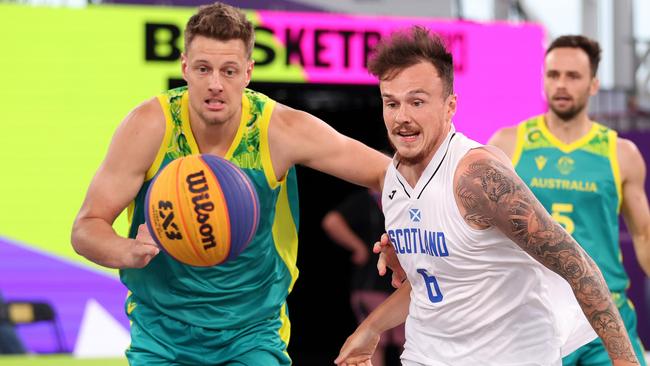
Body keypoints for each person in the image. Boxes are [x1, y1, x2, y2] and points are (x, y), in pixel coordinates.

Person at [70, 2, 389, 365]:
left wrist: (415, 229)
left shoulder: (278, 130)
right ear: (185, 67)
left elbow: (385, 173)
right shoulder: (148, 127)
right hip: (162, 331)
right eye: (203, 69)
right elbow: (86, 227)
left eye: (229, 70)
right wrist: (127, 251)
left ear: (248, 72)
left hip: (251, 332)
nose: (216, 84)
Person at [334, 26, 641, 366]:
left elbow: (578, 266)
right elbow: (433, 283)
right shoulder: (393, 182)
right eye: (391, 103)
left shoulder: (477, 176)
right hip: (427, 355)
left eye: (417, 101)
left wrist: (626, 361)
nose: (402, 117)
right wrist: (370, 327)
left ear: (450, 106)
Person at [488, 35, 650, 365]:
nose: (561, 84)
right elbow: (476, 225)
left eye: (573, 76)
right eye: (553, 74)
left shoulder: (621, 153)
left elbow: (644, 236)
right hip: (532, 314)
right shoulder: (508, 144)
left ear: (593, 85)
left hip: (606, 318)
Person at [322, 188, 405, 366]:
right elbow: (332, 221)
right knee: (372, 344)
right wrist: (358, 247)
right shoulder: (365, 200)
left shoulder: (407, 198)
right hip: (372, 285)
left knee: (408, 342)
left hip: (404, 286)